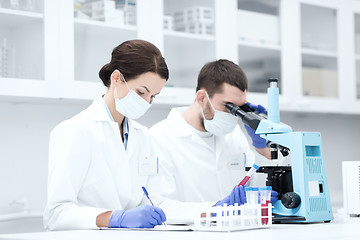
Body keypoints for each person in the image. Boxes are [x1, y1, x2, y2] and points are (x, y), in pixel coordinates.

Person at [43, 40, 169, 230]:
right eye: (141, 92)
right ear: (116, 78)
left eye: (153, 96)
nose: (146, 102)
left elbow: (148, 198)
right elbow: (56, 214)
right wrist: (114, 218)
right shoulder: (76, 130)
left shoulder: (142, 136)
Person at [147, 59, 277, 222]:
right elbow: (160, 205)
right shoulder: (159, 137)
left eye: (240, 108)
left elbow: (257, 185)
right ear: (202, 98)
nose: (233, 115)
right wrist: (216, 209)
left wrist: (262, 147)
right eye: (228, 107)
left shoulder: (234, 135)